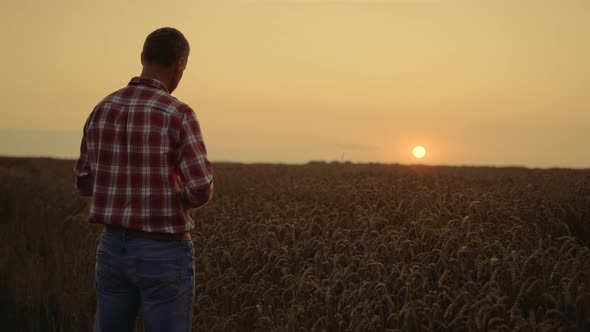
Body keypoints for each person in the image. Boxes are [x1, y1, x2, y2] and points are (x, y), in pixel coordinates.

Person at [74, 27, 213, 332]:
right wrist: (172, 193)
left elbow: (84, 181)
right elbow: (200, 188)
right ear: (179, 64)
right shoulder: (178, 114)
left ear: (142, 57)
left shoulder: (102, 109)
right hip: (162, 251)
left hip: (111, 247)